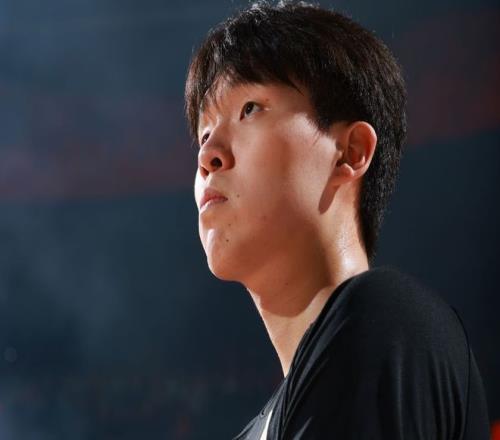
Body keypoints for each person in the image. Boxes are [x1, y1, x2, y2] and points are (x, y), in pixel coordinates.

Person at [184, 1, 490, 438]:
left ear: (350, 152)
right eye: (204, 133)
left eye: (250, 108)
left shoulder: (387, 322)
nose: (208, 155)